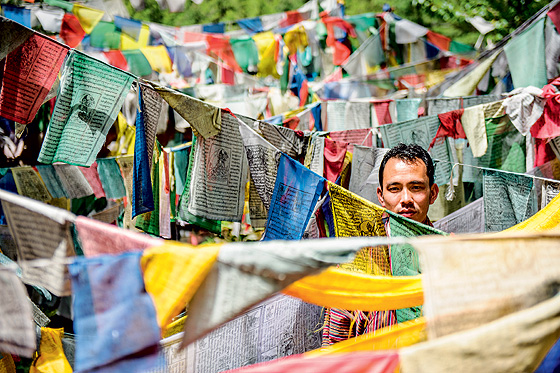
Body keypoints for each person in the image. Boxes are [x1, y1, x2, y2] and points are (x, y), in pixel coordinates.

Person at [377, 143, 439, 225]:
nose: (406, 200)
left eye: (416, 188)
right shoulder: (366, 236)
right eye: (394, 189)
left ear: (432, 194)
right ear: (381, 196)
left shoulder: (447, 238)